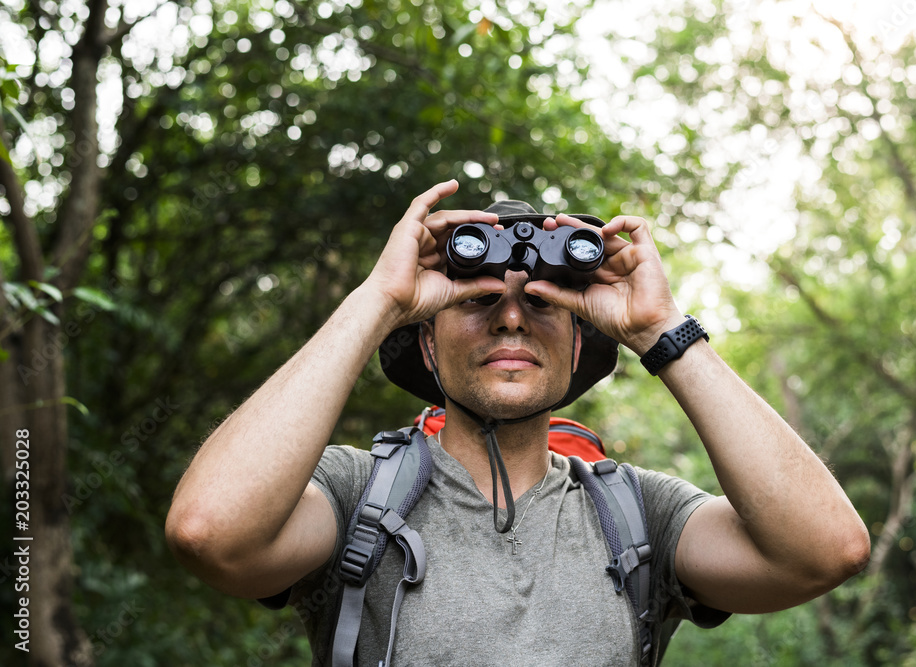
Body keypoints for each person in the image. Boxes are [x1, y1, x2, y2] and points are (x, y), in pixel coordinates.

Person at [165, 180, 870, 665]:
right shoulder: (358, 500)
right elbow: (208, 531)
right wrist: (381, 297)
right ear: (428, 343)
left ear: (575, 346)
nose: (509, 316)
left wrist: (662, 328)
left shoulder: (638, 515)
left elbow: (826, 550)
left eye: (541, 301)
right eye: (474, 299)